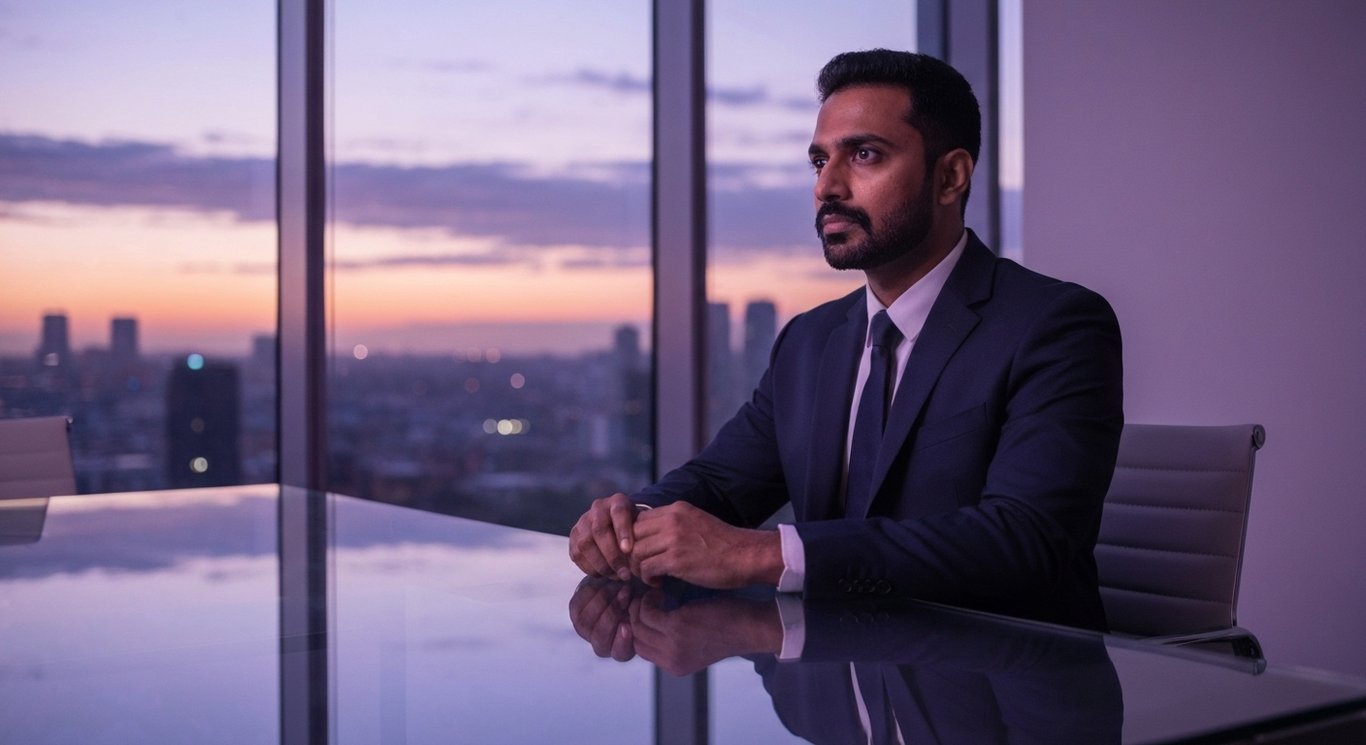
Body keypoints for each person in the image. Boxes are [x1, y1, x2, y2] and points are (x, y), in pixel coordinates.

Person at [568, 49, 1123, 630]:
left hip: (1007, 690)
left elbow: (1024, 541)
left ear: (950, 176)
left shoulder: (1054, 325)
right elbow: (720, 484)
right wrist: (631, 520)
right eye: (818, 161)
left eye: (864, 155)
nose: (827, 186)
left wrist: (760, 555)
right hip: (836, 688)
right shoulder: (810, 341)